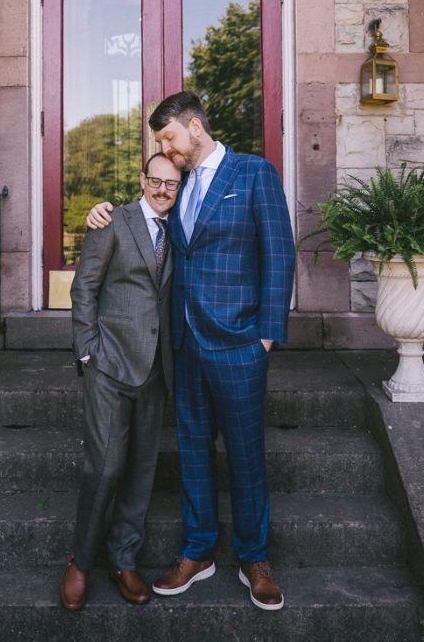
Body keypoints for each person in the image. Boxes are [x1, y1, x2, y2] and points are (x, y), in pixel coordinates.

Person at [86, 91, 296, 611]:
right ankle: (198, 551)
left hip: (240, 345)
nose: (166, 149)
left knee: (246, 456)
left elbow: (279, 253)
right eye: (160, 142)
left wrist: (265, 336)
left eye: (169, 138)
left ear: (195, 127)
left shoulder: (253, 173)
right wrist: (102, 212)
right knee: (195, 456)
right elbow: (147, 215)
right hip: (183, 347)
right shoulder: (174, 189)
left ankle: (255, 558)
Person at [59, 152, 182, 611]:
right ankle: (81, 561)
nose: (163, 190)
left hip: (157, 369)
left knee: (141, 472)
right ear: (142, 179)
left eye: (172, 184)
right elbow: (84, 287)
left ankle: (124, 559)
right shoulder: (112, 219)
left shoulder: (181, 228)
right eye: (156, 181)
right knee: (105, 468)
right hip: (109, 365)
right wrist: (87, 350)